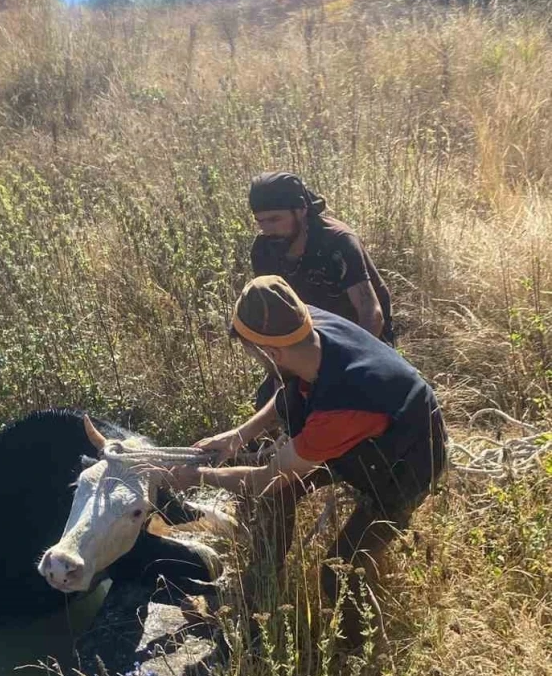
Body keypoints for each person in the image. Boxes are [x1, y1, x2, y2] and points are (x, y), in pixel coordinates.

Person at [169, 276, 446, 648]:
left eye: (254, 353)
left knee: (340, 571)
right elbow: (288, 386)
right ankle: (263, 587)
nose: (254, 360)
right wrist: (238, 436)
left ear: (273, 353)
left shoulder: (340, 407)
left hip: (404, 462)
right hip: (360, 436)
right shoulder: (302, 326)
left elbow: (264, 477)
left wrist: (198, 476)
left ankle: (362, 659)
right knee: (277, 495)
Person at [249, 171, 395, 345]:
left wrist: (350, 360)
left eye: (275, 219)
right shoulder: (263, 249)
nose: (267, 229)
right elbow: (271, 308)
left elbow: (371, 314)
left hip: (363, 338)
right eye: (260, 221)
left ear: (301, 210)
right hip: (311, 340)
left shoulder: (338, 242)